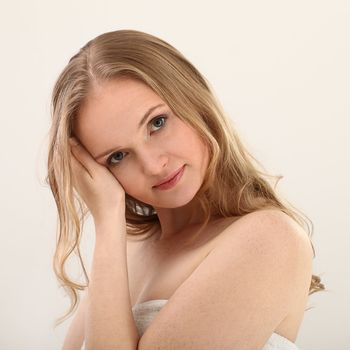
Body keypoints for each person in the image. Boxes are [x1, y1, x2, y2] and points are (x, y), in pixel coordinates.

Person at [46, 29, 325, 349]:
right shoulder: (122, 249)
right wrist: (108, 222)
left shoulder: (269, 238)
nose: (152, 165)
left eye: (157, 123)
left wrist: (109, 225)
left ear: (192, 97)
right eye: (118, 156)